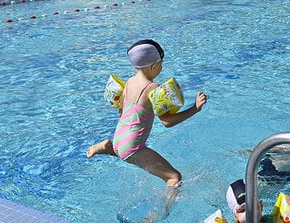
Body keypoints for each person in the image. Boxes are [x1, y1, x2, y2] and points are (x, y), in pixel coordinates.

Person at [86, 39, 207, 187]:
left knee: (126, 152)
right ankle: (162, 211)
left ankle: (108, 147)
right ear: (154, 66)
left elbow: (121, 112)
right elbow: (166, 122)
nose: (161, 67)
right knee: (174, 177)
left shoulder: (129, 82)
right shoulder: (153, 88)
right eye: (161, 64)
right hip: (131, 147)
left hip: (118, 138)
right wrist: (195, 108)